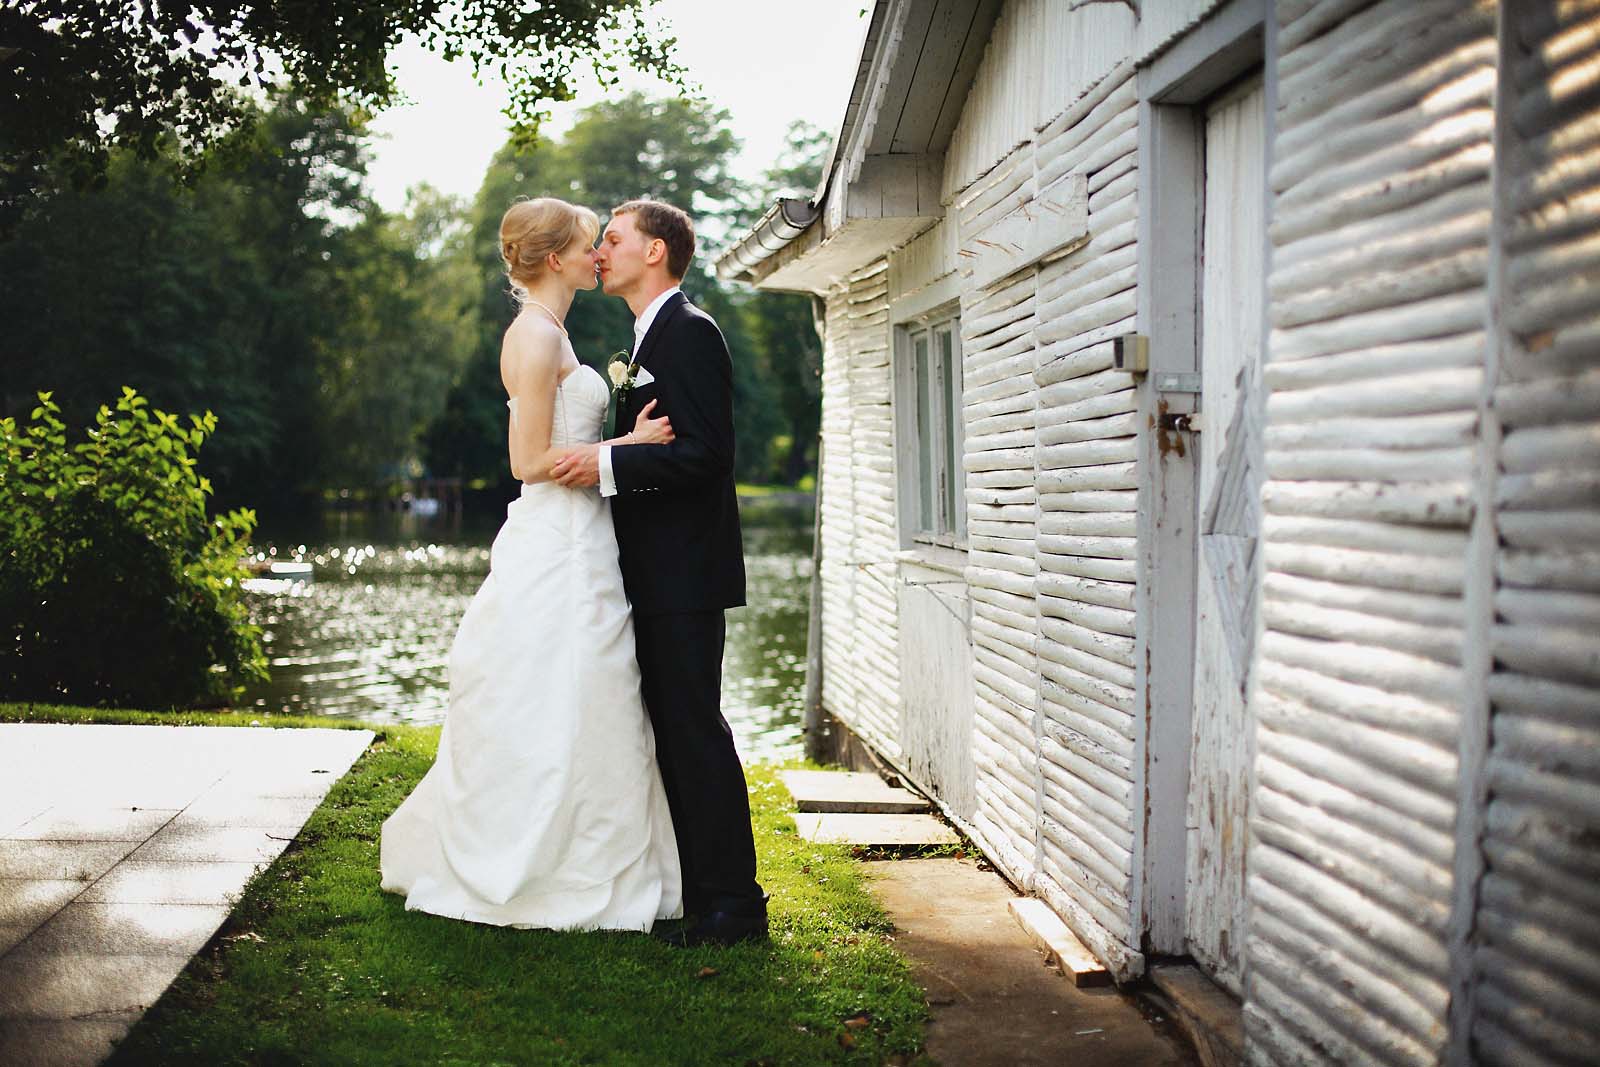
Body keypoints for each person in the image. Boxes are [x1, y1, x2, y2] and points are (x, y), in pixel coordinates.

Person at [379, 197, 684, 933]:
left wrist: (619, 437)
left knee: (589, 688)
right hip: (558, 542)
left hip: (582, 535)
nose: (599, 255)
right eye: (590, 245)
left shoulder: (552, 329)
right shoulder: (536, 337)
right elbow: (528, 461)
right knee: (568, 683)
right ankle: (546, 860)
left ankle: (588, 847)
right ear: (557, 260)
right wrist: (629, 450)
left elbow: (559, 435)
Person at [550, 199, 768, 946]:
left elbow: (707, 454)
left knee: (694, 733)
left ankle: (736, 907)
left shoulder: (691, 334)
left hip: (685, 574)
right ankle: (704, 898)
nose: (600, 250)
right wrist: (628, 446)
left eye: (612, 239)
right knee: (674, 735)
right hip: (652, 572)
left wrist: (608, 458)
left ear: (655, 252)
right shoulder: (645, 337)